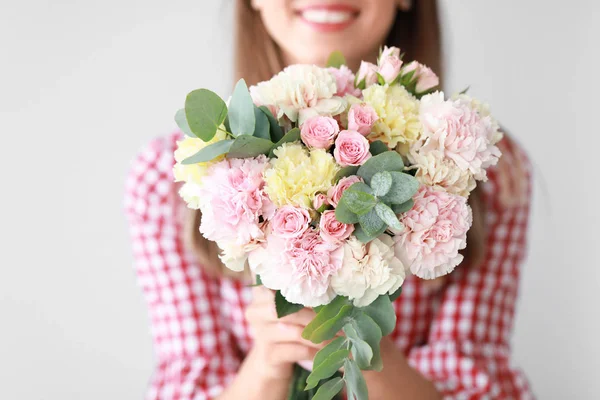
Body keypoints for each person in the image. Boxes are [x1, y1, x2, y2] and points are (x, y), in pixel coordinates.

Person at [125, 0, 535, 398]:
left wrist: (360, 341)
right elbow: (184, 385)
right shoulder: (170, 179)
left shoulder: (481, 167)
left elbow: (482, 386)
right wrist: (268, 362)